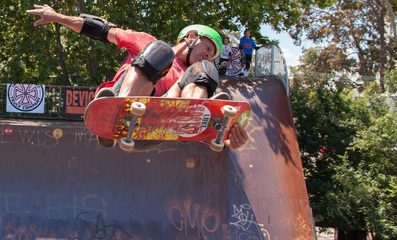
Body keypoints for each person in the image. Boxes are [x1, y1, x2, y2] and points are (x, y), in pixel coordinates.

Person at [26, 4, 248, 149]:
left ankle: (193, 122)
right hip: (127, 100)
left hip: (155, 126)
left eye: (211, 55)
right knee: (160, 51)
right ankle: (119, 111)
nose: (207, 56)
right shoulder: (145, 40)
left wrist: (227, 133)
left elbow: (217, 104)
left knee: (206, 72)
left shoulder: (193, 72)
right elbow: (101, 29)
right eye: (207, 49)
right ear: (191, 37)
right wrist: (56, 17)